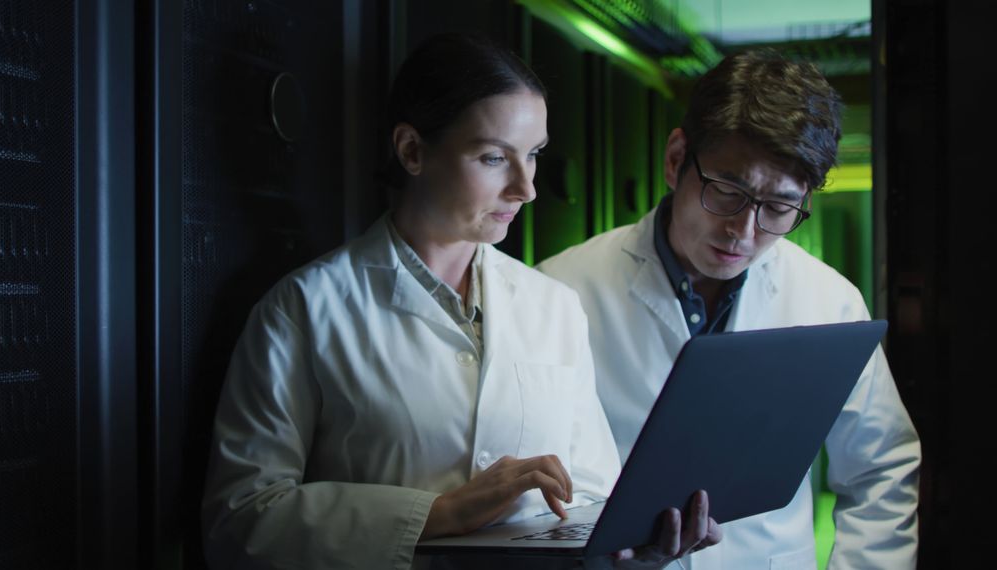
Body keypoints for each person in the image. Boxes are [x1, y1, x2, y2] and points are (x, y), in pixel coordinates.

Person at [201, 33, 719, 570]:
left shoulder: (554, 306)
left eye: (534, 155)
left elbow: (589, 496)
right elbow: (241, 521)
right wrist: (440, 513)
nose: (526, 189)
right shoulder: (305, 309)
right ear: (412, 151)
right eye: (494, 157)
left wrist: (638, 548)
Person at [538, 49, 921, 569]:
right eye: (727, 191)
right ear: (677, 159)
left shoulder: (829, 300)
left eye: (779, 208)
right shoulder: (559, 291)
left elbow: (881, 469)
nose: (743, 232)